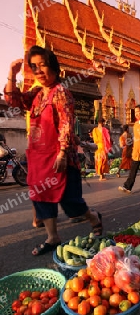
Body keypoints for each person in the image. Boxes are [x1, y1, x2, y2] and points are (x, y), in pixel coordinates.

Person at [4, 45, 102, 255]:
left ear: (54, 67)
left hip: (61, 157)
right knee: (41, 196)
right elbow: (13, 101)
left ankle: (93, 217)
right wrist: (12, 74)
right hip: (39, 158)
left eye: (42, 65)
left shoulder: (62, 93)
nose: (38, 71)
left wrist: (62, 153)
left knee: (71, 202)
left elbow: (66, 123)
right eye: (34, 67)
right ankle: (52, 237)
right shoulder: (37, 94)